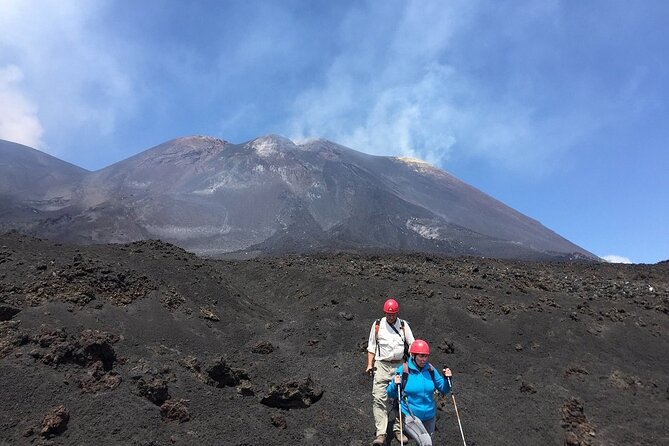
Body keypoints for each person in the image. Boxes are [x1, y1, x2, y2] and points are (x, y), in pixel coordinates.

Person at [366, 298, 415, 445]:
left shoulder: (403, 325)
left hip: (399, 365)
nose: (391, 317)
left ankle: (398, 429)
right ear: (385, 313)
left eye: (393, 314)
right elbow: (371, 347)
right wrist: (370, 364)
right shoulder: (377, 325)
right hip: (382, 365)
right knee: (378, 397)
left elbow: (412, 345)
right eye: (388, 314)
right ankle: (381, 433)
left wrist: (412, 365)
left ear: (397, 313)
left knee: (402, 397)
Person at [386, 339, 452, 446]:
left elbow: (444, 389)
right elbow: (390, 393)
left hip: (430, 417)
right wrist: (394, 384)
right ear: (413, 355)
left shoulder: (430, 370)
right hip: (410, 416)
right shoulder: (403, 370)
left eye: (426, 356)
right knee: (426, 443)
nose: (424, 359)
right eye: (421, 356)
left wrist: (447, 379)